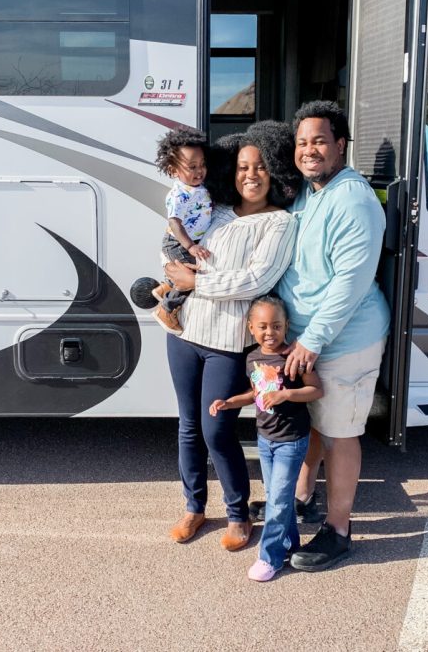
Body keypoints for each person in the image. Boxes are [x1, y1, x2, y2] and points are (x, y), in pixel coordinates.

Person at [164, 121, 301, 550]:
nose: (250, 175)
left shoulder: (280, 224)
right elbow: (178, 250)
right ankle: (194, 507)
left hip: (228, 345)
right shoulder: (216, 210)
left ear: (274, 171)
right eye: (242, 167)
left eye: (260, 167)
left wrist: (196, 283)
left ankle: (239, 514)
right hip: (186, 333)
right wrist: (175, 276)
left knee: (216, 431)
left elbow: (254, 280)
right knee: (188, 426)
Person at [276, 100, 390, 572]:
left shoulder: (353, 199)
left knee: (341, 433)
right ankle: (303, 498)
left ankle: (340, 530)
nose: (309, 151)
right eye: (303, 143)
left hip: (344, 340)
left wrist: (312, 340)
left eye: (320, 141)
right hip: (311, 338)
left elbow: (350, 282)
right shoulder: (310, 192)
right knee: (319, 424)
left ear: (340, 145)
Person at [209, 295, 323, 582]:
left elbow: (316, 390)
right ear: (250, 328)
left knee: (280, 502)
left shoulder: (293, 356)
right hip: (265, 438)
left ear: (286, 327)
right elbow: (255, 394)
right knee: (276, 497)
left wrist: (286, 394)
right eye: (262, 327)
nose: (269, 333)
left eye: (276, 326)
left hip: (291, 440)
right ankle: (290, 544)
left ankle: (269, 557)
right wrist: (229, 402)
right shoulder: (253, 358)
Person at [152, 127, 213, 334]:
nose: (199, 171)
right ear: (173, 170)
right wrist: (190, 246)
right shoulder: (179, 194)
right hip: (178, 242)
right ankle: (166, 310)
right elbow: (175, 222)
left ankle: (165, 288)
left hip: (186, 240)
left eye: (202, 165)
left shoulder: (197, 188)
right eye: (192, 167)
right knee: (189, 276)